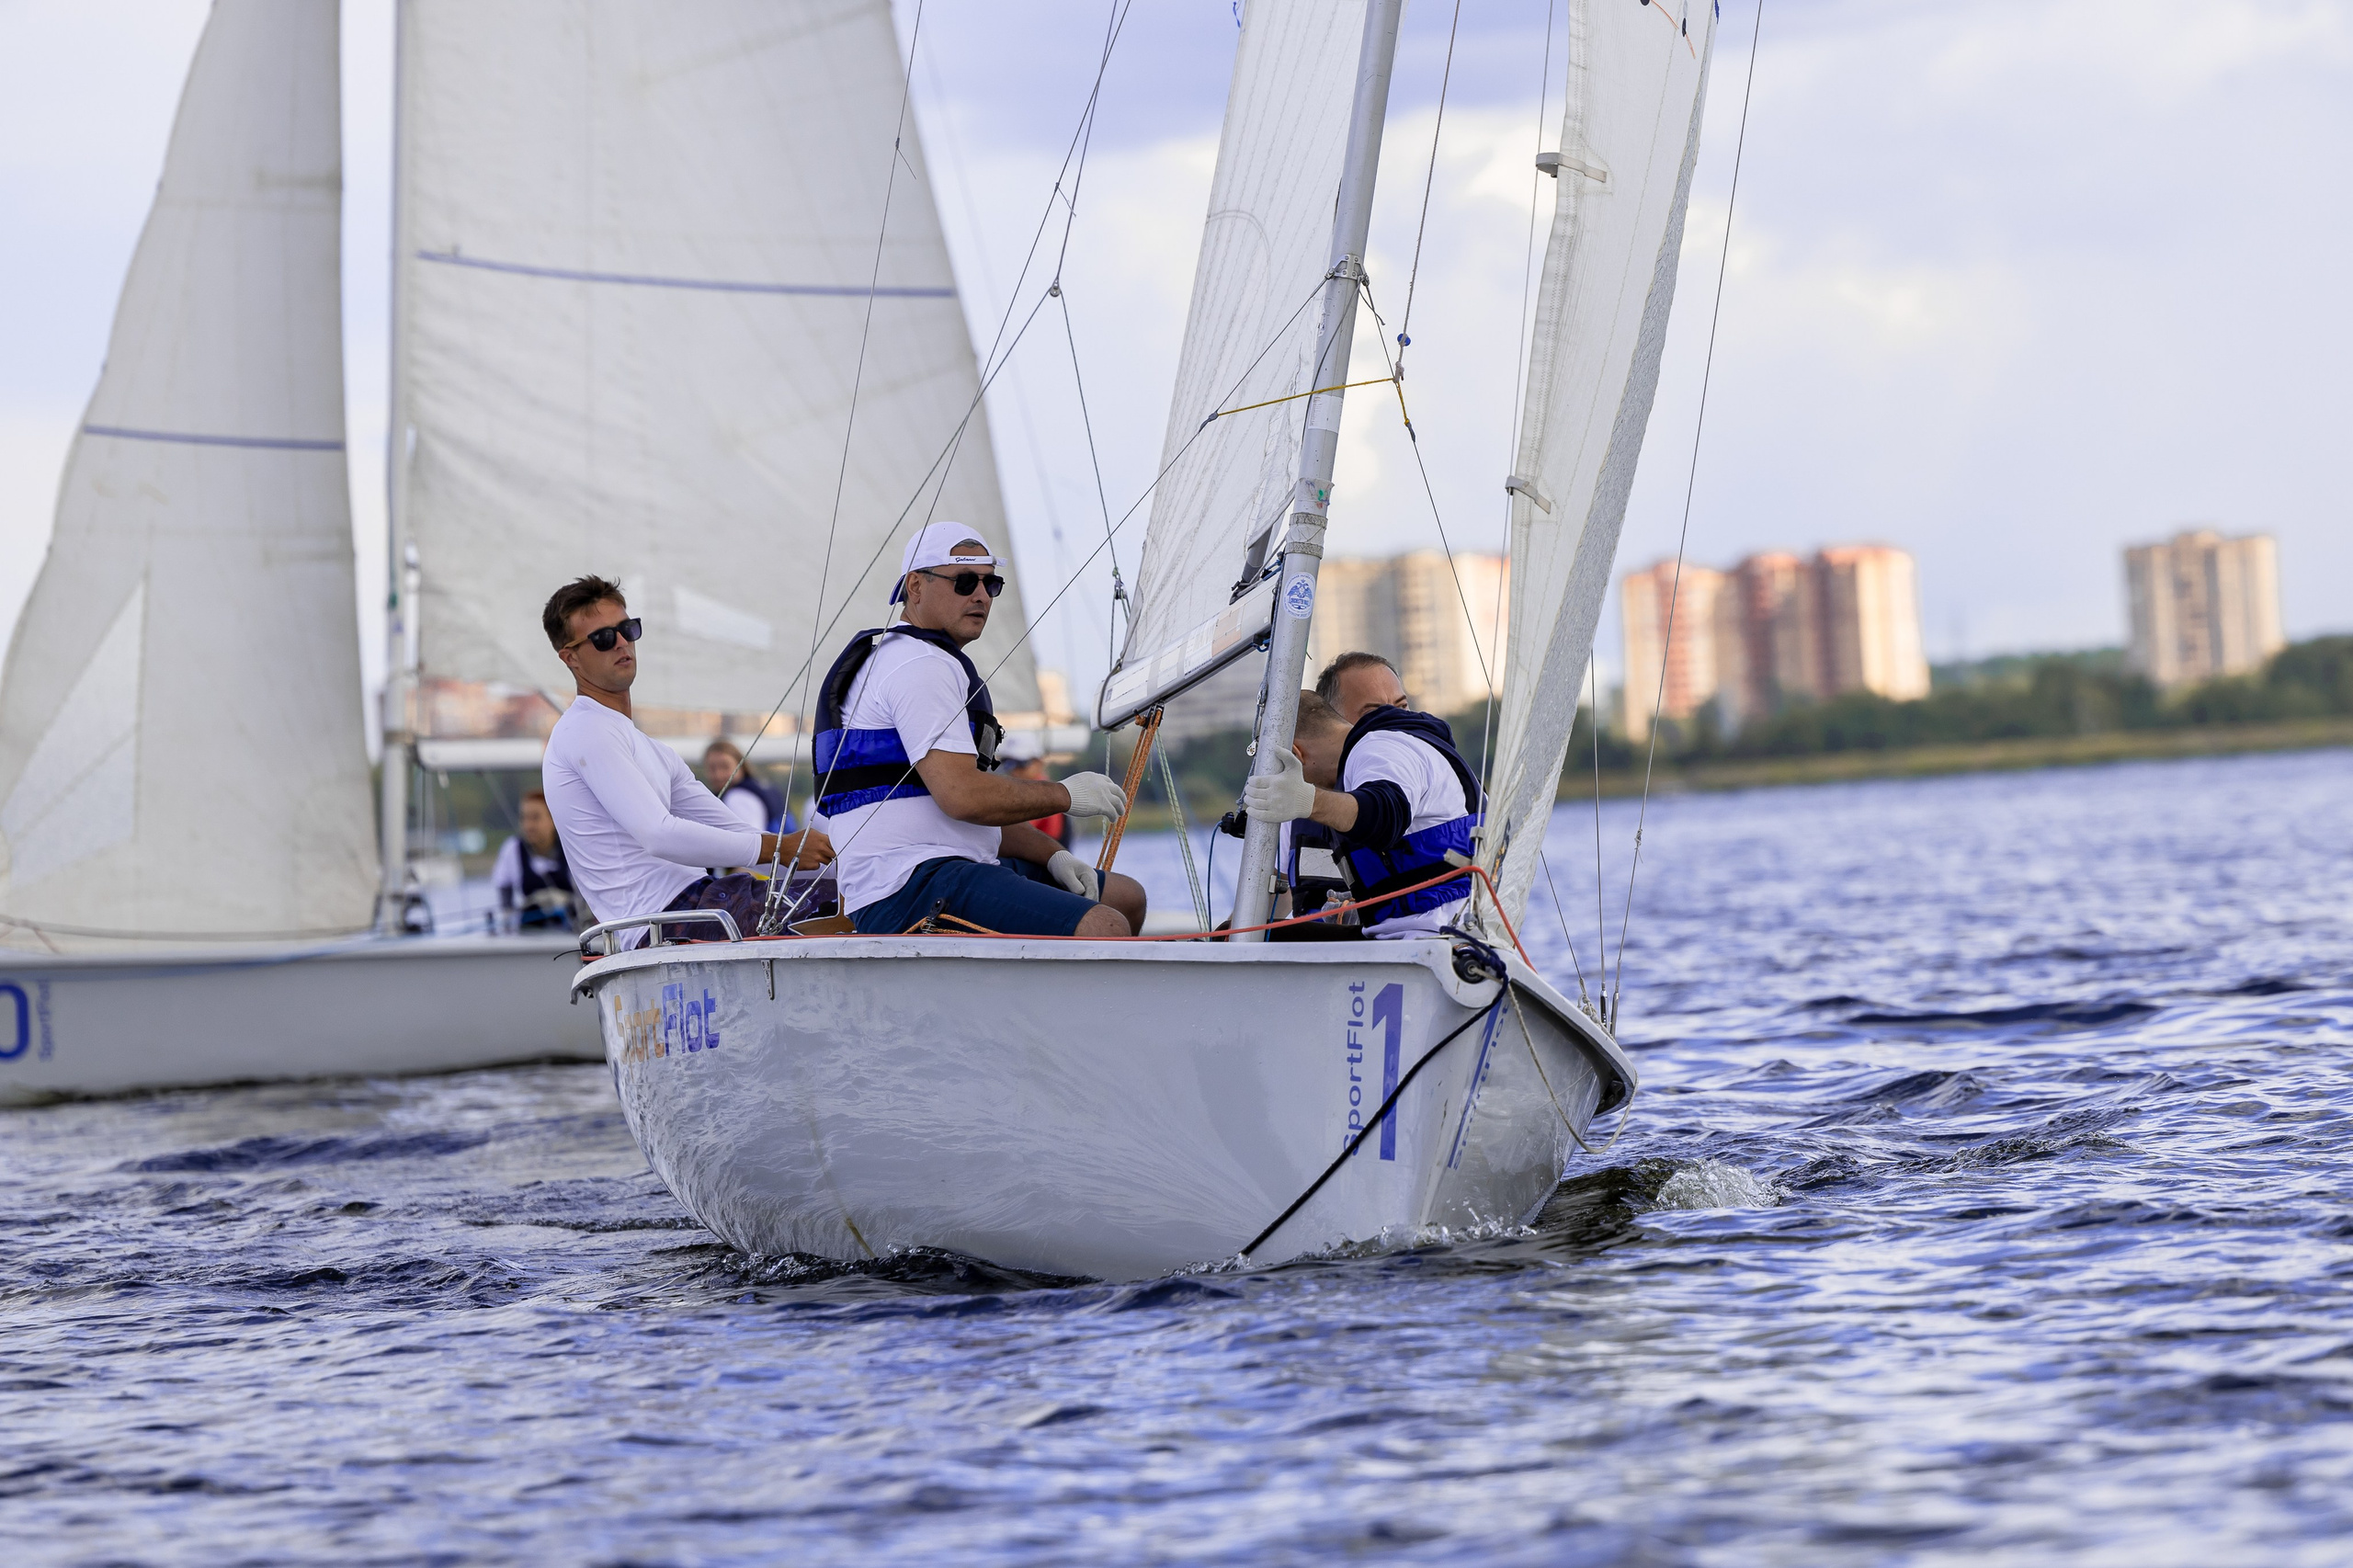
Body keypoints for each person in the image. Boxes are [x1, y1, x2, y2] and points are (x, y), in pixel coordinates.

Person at [813, 521, 1144, 937]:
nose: (981, 595)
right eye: (965, 581)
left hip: (948, 868)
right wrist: (1065, 794)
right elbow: (962, 797)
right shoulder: (920, 666)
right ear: (915, 586)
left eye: (991, 584)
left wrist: (1055, 854)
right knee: (1106, 925)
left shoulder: (919, 659)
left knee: (1125, 897)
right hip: (907, 885)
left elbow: (960, 808)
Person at [539, 575, 831, 942]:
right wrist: (778, 848)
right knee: (843, 907)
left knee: (854, 892)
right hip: (661, 921)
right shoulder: (585, 730)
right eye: (602, 638)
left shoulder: (651, 749)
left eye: (627, 629)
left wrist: (824, 855)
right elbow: (658, 834)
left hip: (699, 903)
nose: (621, 643)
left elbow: (734, 830)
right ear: (570, 658)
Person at [1245, 653, 1483, 939]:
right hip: (1380, 944)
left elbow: (1384, 813)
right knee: (1244, 936)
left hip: (1435, 940)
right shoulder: (1305, 797)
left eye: (1401, 706)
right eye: (1372, 711)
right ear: (1331, 714)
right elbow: (1279, 894)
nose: (1392, 717)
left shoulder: (1381, 747)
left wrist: (1308, 800)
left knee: (1265, 939)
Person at [490, 788, 577, 932]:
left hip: (572, 934)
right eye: (524, 818)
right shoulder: (512, 850)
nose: (528, 826)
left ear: (553, 819)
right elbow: (505, 905)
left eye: (535, 818)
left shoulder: (572, 848)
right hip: (529, 939)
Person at [996, 731, 1072, 848]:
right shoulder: (1017, 794)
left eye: (1021, 763)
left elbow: (1017, 834)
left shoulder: (1048, 795)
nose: (1014, 770)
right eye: (1008, 763)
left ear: (1039, 762)